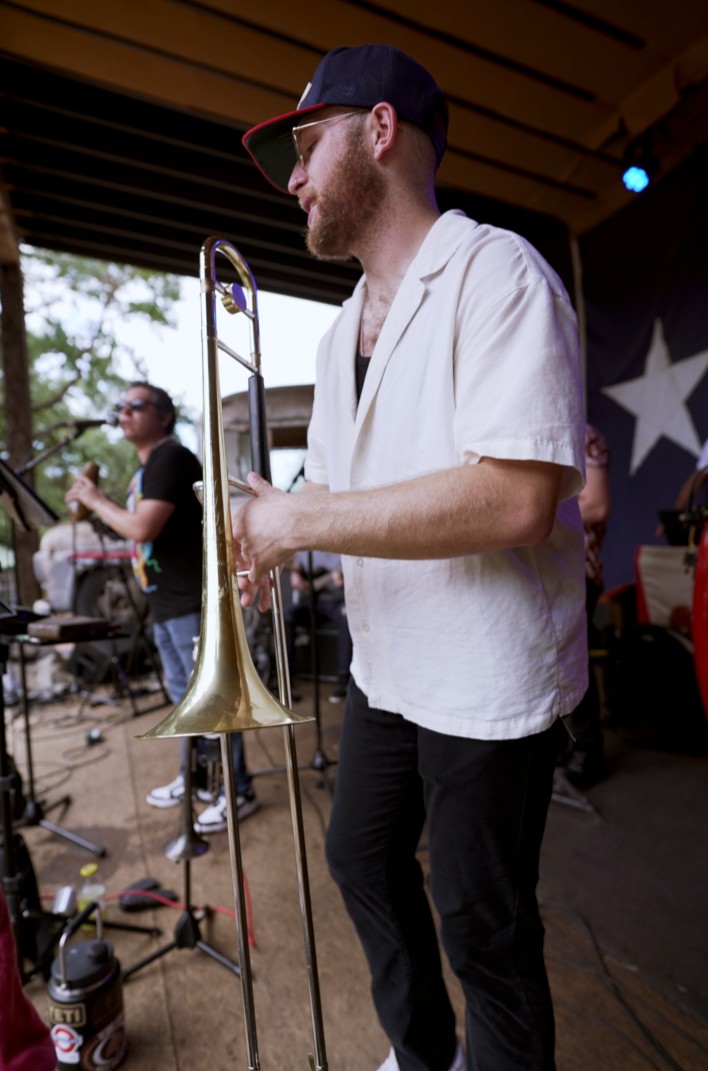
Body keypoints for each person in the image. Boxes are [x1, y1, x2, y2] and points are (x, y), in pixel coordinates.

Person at [236, 45, 587, 1071]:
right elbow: (339, 491)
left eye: (306, 147)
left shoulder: (497, 272)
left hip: (485, 671)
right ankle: (425, 1054)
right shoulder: (336, 334)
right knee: (358, 854)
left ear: (380, 131)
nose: (292, 179)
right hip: (387, 663)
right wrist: (274, 532)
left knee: (483, 925)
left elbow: (518, 497)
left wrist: (303, 520)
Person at [65, 381, 257, 832]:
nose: (124, 412)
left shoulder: (171, 458)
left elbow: (142, 528)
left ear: (163, 416)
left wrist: (94, 499)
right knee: (184, 698)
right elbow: (135, 529)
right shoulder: (147, 469)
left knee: (214, 700)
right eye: (121, 405)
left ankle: (236, 790)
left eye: (136, 405)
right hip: (166, 603)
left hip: (192, 600)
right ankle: (198, 779)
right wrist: (98, 510)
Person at [558, 424, 611, 789]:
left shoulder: (585, 435)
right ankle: (566, 744)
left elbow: (597, 504)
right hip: (548, 570)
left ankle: (588, 751)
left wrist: (534, 503)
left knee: (574, 658)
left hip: (578, 569)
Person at [286, 550, 353, 702]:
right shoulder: (306, 548)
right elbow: (297, 566)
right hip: (314, 602)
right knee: (287, 616)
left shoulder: (342, 547)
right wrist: (295, 575)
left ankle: (343, 680)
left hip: (339, 601)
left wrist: (345, 578)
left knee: (346, 617)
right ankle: (287, 679)